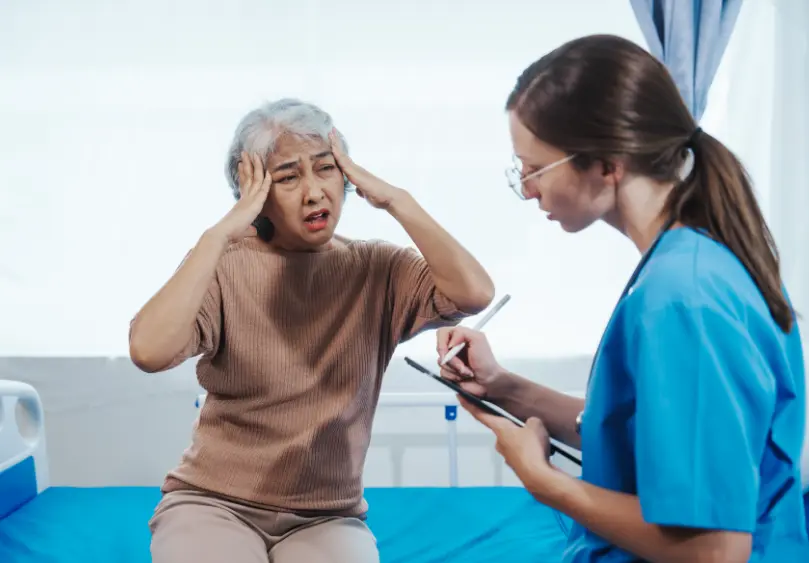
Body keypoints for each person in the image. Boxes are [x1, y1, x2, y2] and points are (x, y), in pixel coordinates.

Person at [437, 35, 809, 562]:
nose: (527, 189)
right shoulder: (694, 261)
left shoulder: (683, 298)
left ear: (607, 164)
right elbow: (635, 434)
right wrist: (504, 388)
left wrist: (545, 482)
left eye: (534, 169)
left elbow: (714, 551)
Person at [128, 98, 495, 563]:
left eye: (326, 169)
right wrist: (218, 235)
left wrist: (396, 200)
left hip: (326, 516)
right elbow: (149, 350)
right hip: (213, 503)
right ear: (255, 193)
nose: (315, 192)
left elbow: (474, 293)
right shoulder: (224, 264)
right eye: (288, 177)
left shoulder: (376, 267)